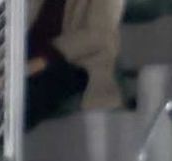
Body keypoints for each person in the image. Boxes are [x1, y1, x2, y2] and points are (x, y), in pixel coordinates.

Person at [25, 0, 123, 128]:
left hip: (75, 64)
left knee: (28, 94)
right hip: (25, 57)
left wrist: (44, 59)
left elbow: (99, 35)